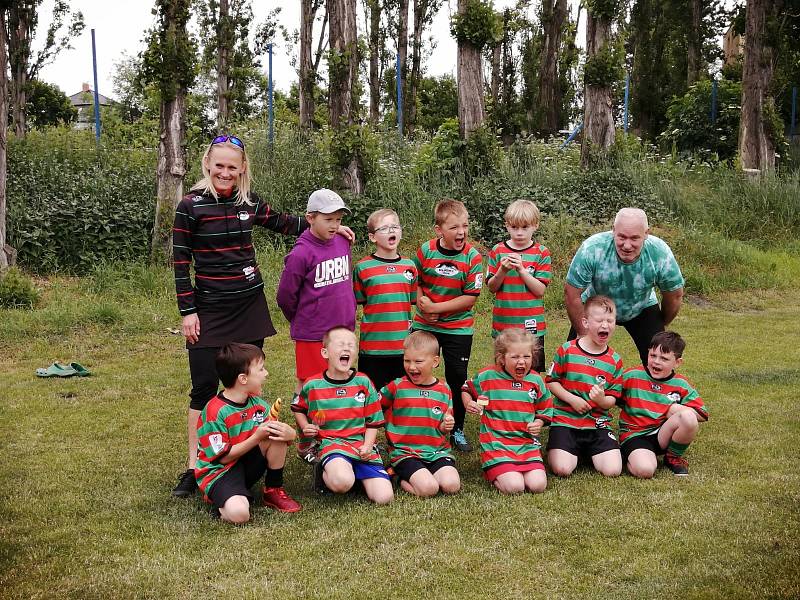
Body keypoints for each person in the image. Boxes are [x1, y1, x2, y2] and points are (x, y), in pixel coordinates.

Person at [171, 135, 352, 498]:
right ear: (207, 165)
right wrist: (188, 311)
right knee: (205, 389)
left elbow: (286, 222)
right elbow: (180, 262)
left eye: (232, 167)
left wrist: (327, 227)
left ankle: (249, 455)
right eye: (219, 166)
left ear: (242, 170)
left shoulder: (247, 202)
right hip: (208, 309)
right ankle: (196, 465)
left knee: (249, 384)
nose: (225, 172)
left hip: (248, 306)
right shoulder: (189, 206)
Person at [564, 207, 685, 366]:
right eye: (621, 237)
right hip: (596, 305)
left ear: (646, 233)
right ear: (613, 230)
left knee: (659, 358)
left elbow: (674, 296)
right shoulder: (592, 248)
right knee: (574, 359)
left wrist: (660, 326)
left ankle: (655, 390)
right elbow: (571, 293)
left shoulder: (660, 253)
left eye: (634, 238)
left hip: (641, 306)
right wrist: (582, 332)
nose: (627, 245)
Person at [194, 343, 300, 523]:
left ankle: (273, 490)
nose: (266, 373)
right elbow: (223, 458)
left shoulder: (258, 405)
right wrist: (257, 437)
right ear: (243, 379)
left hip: (245, 464)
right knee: (240, 515)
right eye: (261, 369)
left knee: (275, 433)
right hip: (220, 472)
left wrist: (290, 434)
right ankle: (219, 497)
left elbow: (274, 436)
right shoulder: (214, 412)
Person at [291, 327, 394, 504]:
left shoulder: (363, 382)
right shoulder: (313, 385)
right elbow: (298, 408)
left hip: (361, 446)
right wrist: (304, 426)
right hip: (332, 444)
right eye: (340, 344)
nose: (347, 348)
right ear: (325, 352)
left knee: (385, 498)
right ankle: (328, 472)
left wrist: (368, 446)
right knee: (342, 483)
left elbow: (373, 421)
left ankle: (356, 474)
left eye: (351, 346)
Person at [412, 199, 483, 452]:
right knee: (415, 373)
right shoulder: (426, 251)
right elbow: (415, 280)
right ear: (439, 230)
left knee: (457, 379)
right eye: (453, 227)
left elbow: (470, 297)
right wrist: (422, 304)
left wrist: (436, 309)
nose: (461, 232)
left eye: (464, 226)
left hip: (457, 328)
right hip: (424, 324)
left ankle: (458, 428)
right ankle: (417, 426)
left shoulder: (473, 256)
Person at [276, 188, 357, 399]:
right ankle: (305, 421)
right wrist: (303, 316)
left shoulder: (342, 240)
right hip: (313, 332)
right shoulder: (300, 253)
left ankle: (334, 421)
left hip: (342, 326)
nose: (335, 225)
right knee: (310, 380)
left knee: (338, 374)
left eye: (338, 219)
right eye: (329, 219)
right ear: (310, 218)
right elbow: (285, 296)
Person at [462, 329, 553, 494]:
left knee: (538, 485)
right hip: (497, 445)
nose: (521, 362)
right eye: (515, 357)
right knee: (515, 487)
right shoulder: (488, 377)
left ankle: (510, 470)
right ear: (501, 358)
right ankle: (494, 471)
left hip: (526, 445)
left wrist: (538, 422)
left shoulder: (536, 380)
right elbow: (466, 388)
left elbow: (545, 408)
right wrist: (469, 403)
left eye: (526, 357)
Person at [545, 295, 624, 478]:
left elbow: (611, 400)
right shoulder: (567, 350)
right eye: (599, 320)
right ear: (586, 322)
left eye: (610, 321)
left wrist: (601, 399)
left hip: (597, 424)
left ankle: (589, 451)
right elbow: (552, 382)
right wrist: (572, 400)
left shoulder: (615, 361)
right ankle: (570, 451)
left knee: (613, 470)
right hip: (565, 421)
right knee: (561, 469)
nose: (605, 325)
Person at [379, 331, 460, 497]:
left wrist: (446, 425)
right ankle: (397, 476)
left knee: (452, 485)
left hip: (436, 452)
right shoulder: (397, 387)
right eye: (407, 361)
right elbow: (374, 406)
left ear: (435, 361)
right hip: (406, 453)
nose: (411, 367)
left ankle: (424, 475)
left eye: (418, 361)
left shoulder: (444, 390)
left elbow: (443, 428)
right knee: (429, 489)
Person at [619, 331, 708, 477]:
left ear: (677, 362)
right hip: (635, 435)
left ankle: (672, 457)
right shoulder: (632, 375)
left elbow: (702, 414)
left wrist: (673, 408)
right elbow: (612, 396)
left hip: (662, 434)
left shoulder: (681, 384)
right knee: (645, 471)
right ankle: (627, 455)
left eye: (664, 358)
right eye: (653, 355)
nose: (656, 362)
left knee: (688, 416)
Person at [354, 209, 418, 391]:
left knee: (401, 394)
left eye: (395, 227)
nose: (391, 231)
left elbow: (412, 299)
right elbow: (360, 300)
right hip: (373, 347)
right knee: (372, 395)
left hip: (402, 346)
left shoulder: (410, 266)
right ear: (372, 237)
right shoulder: (362, 267)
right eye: (384, 228)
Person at [486, 199, 551, 372]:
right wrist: (502, 271)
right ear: (507, 226)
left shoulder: (541, 252)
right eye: (514, 227)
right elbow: (492, 288)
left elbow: (540, 290)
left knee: (532, 371)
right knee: (503, 369)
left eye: (525, 227)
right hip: (503, 323)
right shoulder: (497, 251)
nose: (520, 233)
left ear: (535, 225)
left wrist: (522, 271)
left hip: (532, 324)